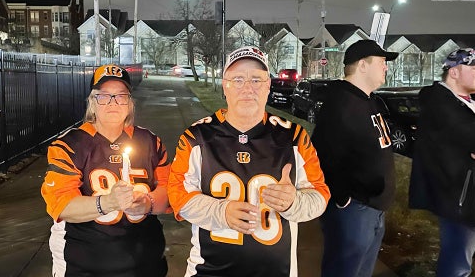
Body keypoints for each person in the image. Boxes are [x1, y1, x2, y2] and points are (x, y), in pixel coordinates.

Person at [168, 46, 330, 277]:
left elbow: (320, 196)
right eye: (238, 79)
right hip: (209, 270)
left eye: (256, 80)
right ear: (225, 85)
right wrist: (221, 211)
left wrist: (294, 202)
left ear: (267, 86)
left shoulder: (294, 137)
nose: (247, 88)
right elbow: (178, 197)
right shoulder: (197, 137)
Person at [41, 64, 170, 277]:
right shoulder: (69, 145)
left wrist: (147, 203)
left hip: (145, 261)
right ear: (92, 102)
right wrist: (109, 203)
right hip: (87, 263)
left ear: (129, 103)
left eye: (120, 96)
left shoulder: (150, 142)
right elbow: (61, 206)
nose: (113, 103)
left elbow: (168, 192)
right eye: (104, 96)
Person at [311, 39, 399, 277]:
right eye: (381, 62)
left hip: (373, 209)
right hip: (353, 212)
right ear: (362, 65)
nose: (385, 68)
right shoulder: (340, 103)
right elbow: (323, 155)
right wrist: (342, 199)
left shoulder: (369, 100)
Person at [409, 48, 475, 277]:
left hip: (473, 193)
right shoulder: (440, 102)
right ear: (454, 73)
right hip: (461, 199)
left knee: (459, 260)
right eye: (474, 67)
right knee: (457, 265)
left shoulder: (470, 101)